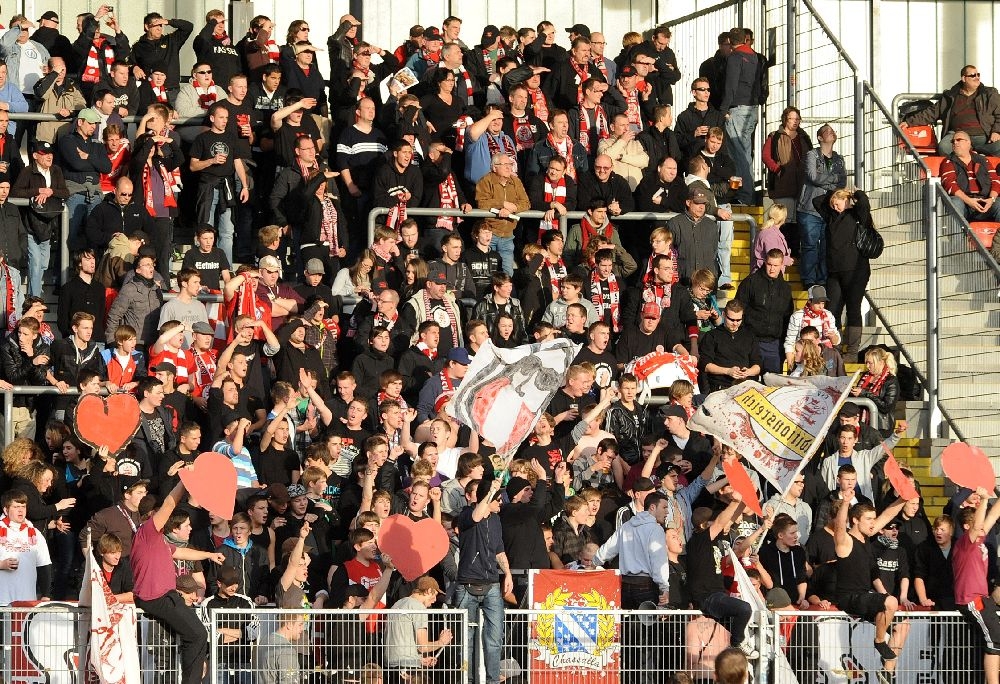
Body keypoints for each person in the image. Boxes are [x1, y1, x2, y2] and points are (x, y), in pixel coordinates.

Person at [833, 488, 909, 674]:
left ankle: (886, 672)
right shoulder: (845, 541)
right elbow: (839, 527)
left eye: (874, 519)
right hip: (849, 597)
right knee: (891, 602)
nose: (873, 523)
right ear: (855, 520)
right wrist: (845, 502)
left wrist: (904, 498)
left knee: (903, 625)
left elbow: (888, 514)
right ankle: (879, 641)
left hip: (865, 596)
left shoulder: (866, 538)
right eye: (868, 519)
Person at [686, 489, 759, 659]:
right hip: (708, 597)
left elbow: (728, 521)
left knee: (742, 610)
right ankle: (737, 643)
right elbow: (720, 522)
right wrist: (734, 502)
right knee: (744, 608)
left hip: (717, 594)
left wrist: (743, 502)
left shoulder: (710, 540)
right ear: (703, 525)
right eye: (712, 521)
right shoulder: (699, 540)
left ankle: (733, 648)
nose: (717, 524)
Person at [455, 478, 511, 684]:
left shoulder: (496, 520)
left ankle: (492, 681)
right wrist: (489, 493)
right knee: (466, 639)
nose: (501, 502)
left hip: (492, 583)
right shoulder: (465, 514)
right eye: (498, 498)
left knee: (494, 639)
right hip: (467, 584)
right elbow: (477, 516)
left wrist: (508, 574)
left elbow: (499, 550)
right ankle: (467, 680)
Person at [814, 188, 873, 355]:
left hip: (856, 270)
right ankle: (836, 347)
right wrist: (834, 194)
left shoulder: (857, 214)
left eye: (837, 204)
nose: (835, 207)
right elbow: (816, 201)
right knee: (833, 309)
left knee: (853, 308)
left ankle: (852, 349)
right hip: (835, 271)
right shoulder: (831, 216)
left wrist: (855, 194)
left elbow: (864, 205)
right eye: (832, 205)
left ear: (846, 201)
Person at [900, 65, 1000, 156]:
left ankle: (975, 152)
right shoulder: (951, 96)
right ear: (964, 78)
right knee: (944, 148)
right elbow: (932, 112)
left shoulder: (989, 94)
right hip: (957, 135)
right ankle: (965, 159)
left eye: (978, 75)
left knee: (998, 147)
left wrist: (997, 131)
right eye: (973, 75)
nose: (977, 78)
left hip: (983, 136)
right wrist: (909, 122)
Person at [797, 123, 846, 288]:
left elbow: (842, 182)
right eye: (827, 131)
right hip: (810, 208)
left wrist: (826, 180)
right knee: (810, 245)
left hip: (830, 210)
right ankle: (809, 279)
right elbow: (813, 177)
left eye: (833, 131)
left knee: (826, 246)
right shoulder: (812, 155)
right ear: (819, 137)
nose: (831, 132)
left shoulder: (839, 159)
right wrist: (833, 179)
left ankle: (822, 280)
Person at [735, 249, 793, 374]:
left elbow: (787, 317)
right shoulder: (750, 282)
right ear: (765, 262)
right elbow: (738, 309)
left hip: (775, 344)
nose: (772, 269)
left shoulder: (786, 288)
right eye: (769, 264)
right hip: (751, 340)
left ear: (781, 265)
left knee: (773, 382)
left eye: (776, 265)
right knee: (748, 381)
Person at [720, 28, 759, 204]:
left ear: (730, 41)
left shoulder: (735, 57)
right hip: (752, 108)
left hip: (738, 109)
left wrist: (723, 109)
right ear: (745, 39)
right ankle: (743, 193)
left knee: (738, 154)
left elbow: (731, 86)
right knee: (744, 152)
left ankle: (744, 195)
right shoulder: (754, 56)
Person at [475, 152, 530, 276]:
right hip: (490, 234)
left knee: (507, 273)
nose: (508, 167)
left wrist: (513, 208)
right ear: (494, 167)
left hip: (508, 235)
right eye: (505, 164)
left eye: (510, 164)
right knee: (487, 273)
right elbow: (481, 202)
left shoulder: (516, 181)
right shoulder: (485, 181)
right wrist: (502, 204)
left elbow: (526, 203)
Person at [386, 576, 454, 674]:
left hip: (391, 664)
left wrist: (419, 660)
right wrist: (441, 642)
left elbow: (402, 639)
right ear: (428, 591)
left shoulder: (398, 604)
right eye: (435, 595)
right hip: (408, 666)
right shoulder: (418, 607)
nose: (435, 600)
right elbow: (423, 647)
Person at [762, 107, 812, 238]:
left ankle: (793, 249)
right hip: (782, 185)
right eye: (792, 118)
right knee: (784, 220)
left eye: (797, 119)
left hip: (802, 186)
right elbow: (766, 156)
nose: (795, 121)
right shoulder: (775, 136)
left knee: (798, 222)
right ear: (785, 119)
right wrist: (778, 170)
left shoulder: (804, 137)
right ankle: (782, 247)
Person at [0, 489, 53, 604]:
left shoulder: (35, 533)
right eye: (16, 507)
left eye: (23, 507)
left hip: (27, 601)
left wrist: (46, 595)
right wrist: (2, 564)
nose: (21, 510)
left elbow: (44, 565)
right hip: (2, 600)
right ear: (5, 510)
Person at [698, 299, 762, 393]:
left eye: (738, 320)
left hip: (746, 387)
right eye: (731, 320)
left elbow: (757, 364)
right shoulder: (712, 336)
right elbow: (705, 365)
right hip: (721, 387)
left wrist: (749, 372)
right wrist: (728, 371)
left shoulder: (750, 336)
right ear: (724, 315)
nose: (735, 323)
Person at [939, 129, 1000, 222]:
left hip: (984, 201)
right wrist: (969, 201)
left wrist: (991, 199)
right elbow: (949, 185)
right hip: (964, 203)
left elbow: (995, 181)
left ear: (968, 142)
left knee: (999, 204)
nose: (955, 143)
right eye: (953, 141)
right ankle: (956, 232)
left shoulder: (983, 160)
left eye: (958, 140)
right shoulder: (948, 162)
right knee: (956, 203)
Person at [131, 14, 194, 91]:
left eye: (161, 25)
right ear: (147, 27)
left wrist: (168, 22)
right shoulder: (138, 46)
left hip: (171, 90)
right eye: (156, 25)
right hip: (149, 90)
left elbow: (188, 27)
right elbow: (128, 64)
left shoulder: (171, 40)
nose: (159, 28)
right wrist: (134, 68)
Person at [850, 347, 901, 437]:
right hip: (862, 425)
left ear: (881, 362)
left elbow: (886, 406)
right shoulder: (865, 376)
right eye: (866, 363)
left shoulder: (891, 380)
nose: (867, 366)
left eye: (870, 363)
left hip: (881, 428)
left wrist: (864, 393)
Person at [256, 613, 306, 684]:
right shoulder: (286, 649)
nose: (302, 629)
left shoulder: (264, 641)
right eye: (300, 625)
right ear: (288, 624)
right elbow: (290, 681)